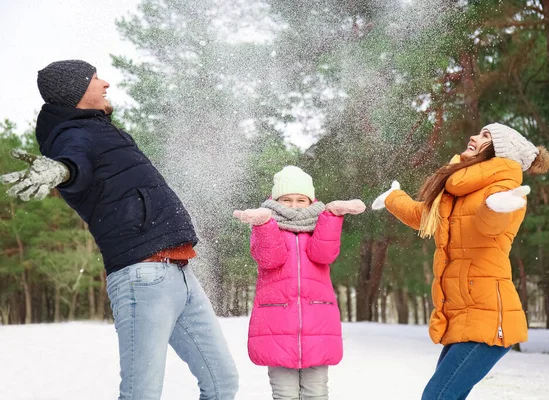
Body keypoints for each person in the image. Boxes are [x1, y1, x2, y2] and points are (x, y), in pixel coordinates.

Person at [0, 60, 239, 400]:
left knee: (222, 383)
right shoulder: (73, 135)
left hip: (180, 274)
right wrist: (59, 171)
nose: (106, 83)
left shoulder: (99, 129)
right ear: (78, 92)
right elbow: (74, 163)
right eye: (96, 78)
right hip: (143, 278)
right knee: (141, 394)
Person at [372, 123, 549, 400]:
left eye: (485, 136)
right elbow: (425, 216)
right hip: (463, 315)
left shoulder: (505, 187)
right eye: (479, 132)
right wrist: (393, 198)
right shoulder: (458, 191)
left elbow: (488, 225)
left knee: (436, 396)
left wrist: (497, 208)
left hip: (489, 317)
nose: (474, 137)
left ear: (498, 150)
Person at [233, 166, 365, 400]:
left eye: (300, 200)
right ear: (275, 201)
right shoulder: (265, 224)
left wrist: (332, 217)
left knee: (317, 393)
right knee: (285, 395)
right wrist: (264, 225)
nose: (294, 205)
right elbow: (271, 259)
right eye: (286, 200)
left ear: (310, 200)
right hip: (277, 325)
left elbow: (324, 255)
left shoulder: (319, 225)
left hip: (318, 323)